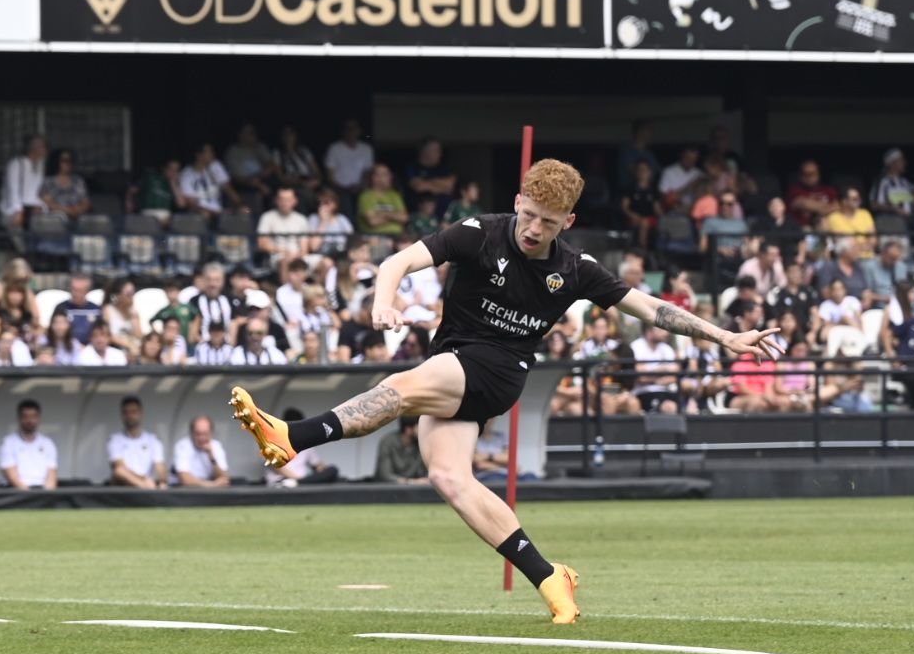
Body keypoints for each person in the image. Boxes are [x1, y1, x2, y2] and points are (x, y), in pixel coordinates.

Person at [228, 159, 781, 625]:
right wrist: (383, 300)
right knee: (450, 478)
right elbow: (398, 260)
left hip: (497, 369)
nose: (533, 230)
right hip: (455, 361)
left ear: (569, 220)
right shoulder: (480, 232)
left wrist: (724, 335)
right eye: (528, 215)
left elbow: (654, 309)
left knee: (403, 386)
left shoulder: (575, 268)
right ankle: (550, 578)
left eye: (547, 222)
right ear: (517, 201)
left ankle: (293, 436)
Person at [0, 398, 59, 489]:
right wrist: (30, 496)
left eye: (33, 416)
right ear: (19, 418)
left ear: (38, 418)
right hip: (16, 493)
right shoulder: (8, 443)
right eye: (26, 416)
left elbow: (51, 476)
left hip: (41, 491)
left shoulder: (48, 443)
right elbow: (12, 477)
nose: (30, 420)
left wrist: (47, 496)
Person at [108, 395, 165, 488]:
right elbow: (119, 468)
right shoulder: (115, 439)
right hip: (125, 486)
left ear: (141, 413)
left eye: (134, 412)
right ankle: (145, 487)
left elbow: (160, 466)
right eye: (126, 413)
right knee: (119, 472)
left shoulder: (153, 439)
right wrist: (143, 481)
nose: (130, 416)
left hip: (148, 484)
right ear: (122, 416)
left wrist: (162, 481)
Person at [172, 416, 231, 488]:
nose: (201, 438)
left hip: (207, 489)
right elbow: (185, 479)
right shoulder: (183, 445)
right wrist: (212, 485)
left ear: (211, 433)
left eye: (205, 433)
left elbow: (224, 479)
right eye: (198, 434)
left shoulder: (216, 446)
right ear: (192, 433)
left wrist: (211, 456)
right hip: (184, 490)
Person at [375, 416, 429, 483]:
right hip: (387, 489)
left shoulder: (421, 443)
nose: (423, 429)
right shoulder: (388, 442)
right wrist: (411, 482)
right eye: (419, 426)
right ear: (408, 429)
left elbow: (427, 473)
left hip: (413, 490)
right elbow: (384, 475)